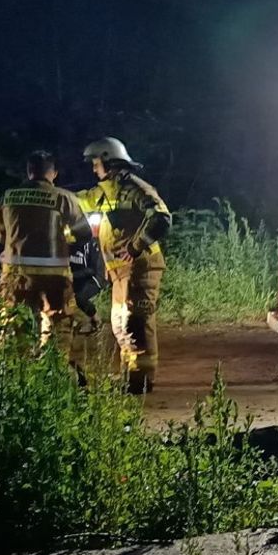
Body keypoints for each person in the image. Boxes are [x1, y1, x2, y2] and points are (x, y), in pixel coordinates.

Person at [78, 137, 171, 394]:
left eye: (96, 163)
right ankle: (131, 376)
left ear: (109, 161)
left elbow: (161, 217)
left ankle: (139, 381)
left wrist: (134, 246)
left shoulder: (135, 189)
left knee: (135, 322)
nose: (94, 169)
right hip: (120, 271)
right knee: (121, 323)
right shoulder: (105, 192)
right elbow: (78, 201)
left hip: (141, 268)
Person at [0, 150, 92, 365]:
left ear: (29, 171)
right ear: (53, 173)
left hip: (15, 275)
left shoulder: (9, 197)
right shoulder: (63, 198)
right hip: (53, 276)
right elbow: (84, 234)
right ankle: (57, 375)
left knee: (13, 324)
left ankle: (14, 375)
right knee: (59, 324)